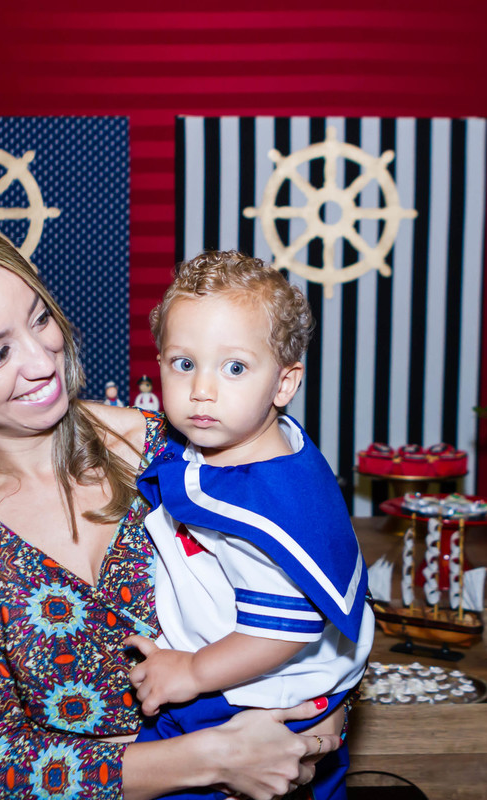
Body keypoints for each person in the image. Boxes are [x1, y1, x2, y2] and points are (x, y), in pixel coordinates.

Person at [0, 214, 341, 800]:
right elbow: (4, 762)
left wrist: (319, 720)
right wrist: (214, 758)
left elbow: (320, 581)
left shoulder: (178, 447)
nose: (41, 360)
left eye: (39, 319)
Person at [127, 251, 374, 800]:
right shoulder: (258, 443)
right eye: (183, 362)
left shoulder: (264, 505)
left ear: (284, 384)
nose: (202, 391)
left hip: (249, 700)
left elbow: (283, 629)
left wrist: (189, 671)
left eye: (234, 367)